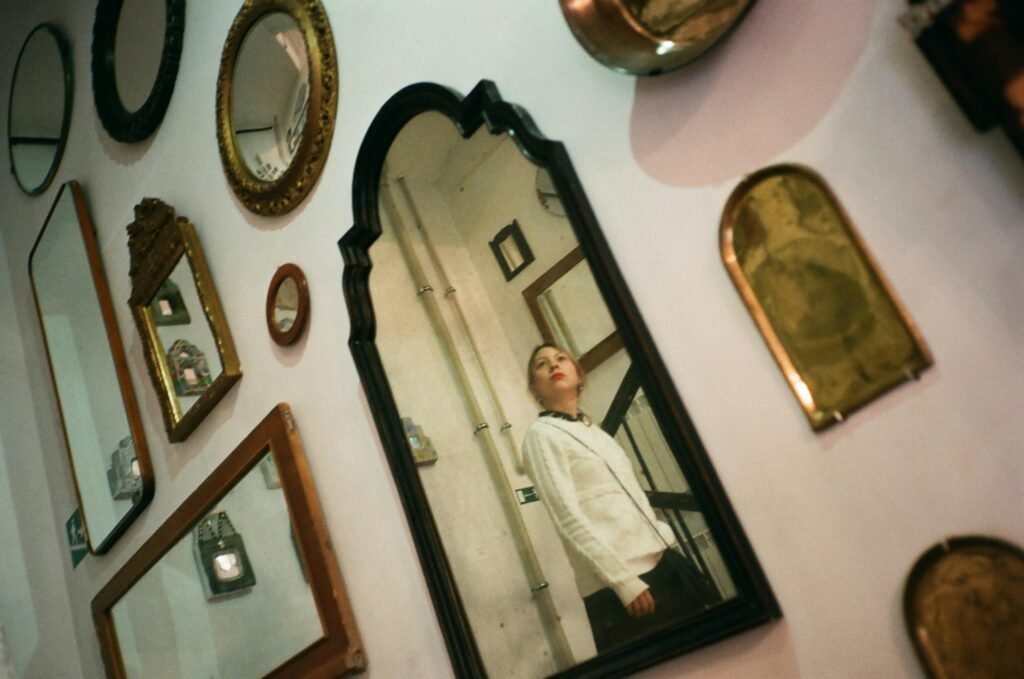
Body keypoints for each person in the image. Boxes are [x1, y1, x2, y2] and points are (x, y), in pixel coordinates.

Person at [521, 343, 719, 653]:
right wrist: (622, 581)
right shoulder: (541, 435)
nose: (553, 365)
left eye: (561, 359)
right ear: (535, 388)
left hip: (661, 561)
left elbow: (631, 498)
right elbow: (566, 516)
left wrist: (664, 543)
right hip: (623, 584)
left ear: (579, 374)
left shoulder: (593, 432)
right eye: (542, 364)